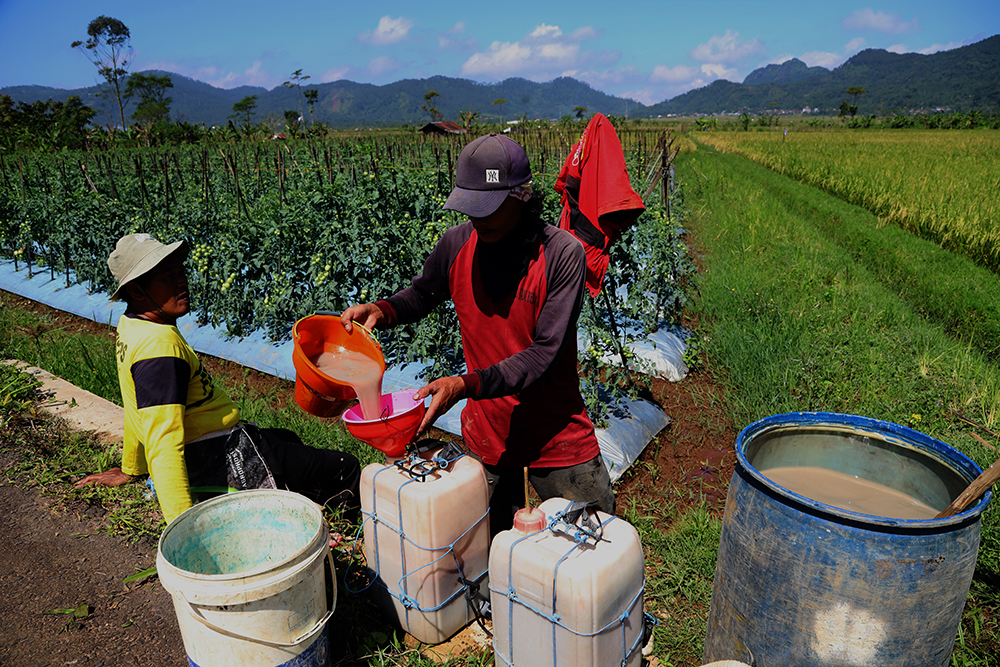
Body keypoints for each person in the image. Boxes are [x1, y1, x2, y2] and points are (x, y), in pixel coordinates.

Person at [341, 133, 615, 534]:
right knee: (485, 559)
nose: (477, 218)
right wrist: (381, 310)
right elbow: (422, 294)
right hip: (489, 438)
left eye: (489, 208)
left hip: (557, 438)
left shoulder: (561, 254)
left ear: (521, 196)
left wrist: (464, 385)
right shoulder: (456, 244)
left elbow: (544, 353)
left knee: (596, 550)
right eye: (470, 208)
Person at [75, 233, 361, 525]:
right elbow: (163, 443)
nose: (181, 282)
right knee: (346, 468)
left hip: (208, 446)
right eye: (167, 277)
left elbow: (135, 403)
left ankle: (309, 509)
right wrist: (185, 529)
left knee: (288, 440)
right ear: (137, 291)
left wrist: (131, 468)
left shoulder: (132, 325)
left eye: (180, 272)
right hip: (216, 454)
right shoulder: (160, 350)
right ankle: (352, 538)